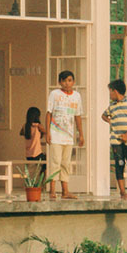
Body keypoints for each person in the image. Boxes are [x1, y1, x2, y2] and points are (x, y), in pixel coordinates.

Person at [45, 70, 84, 200]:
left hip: (68, 135)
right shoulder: (54, 94)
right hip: (56, 134)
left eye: (69, 80)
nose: (67, 83)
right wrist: (48, 132)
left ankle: (65, 191)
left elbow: (78, 115)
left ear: (73, 81)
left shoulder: (76, 96)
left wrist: (81, 134)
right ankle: (52, 190)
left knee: (65, 163)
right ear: (60, 82)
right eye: (64, 81)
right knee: (55, 161)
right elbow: (49, 113)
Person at [20, 106, 48, 193]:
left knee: (32, 171)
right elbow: (46, 132)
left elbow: (21, 132)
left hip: (28, 154)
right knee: (47, 164)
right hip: (37, 153)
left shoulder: (25, 126)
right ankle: (42, 185)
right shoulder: (38, 126)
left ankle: (35, 184)